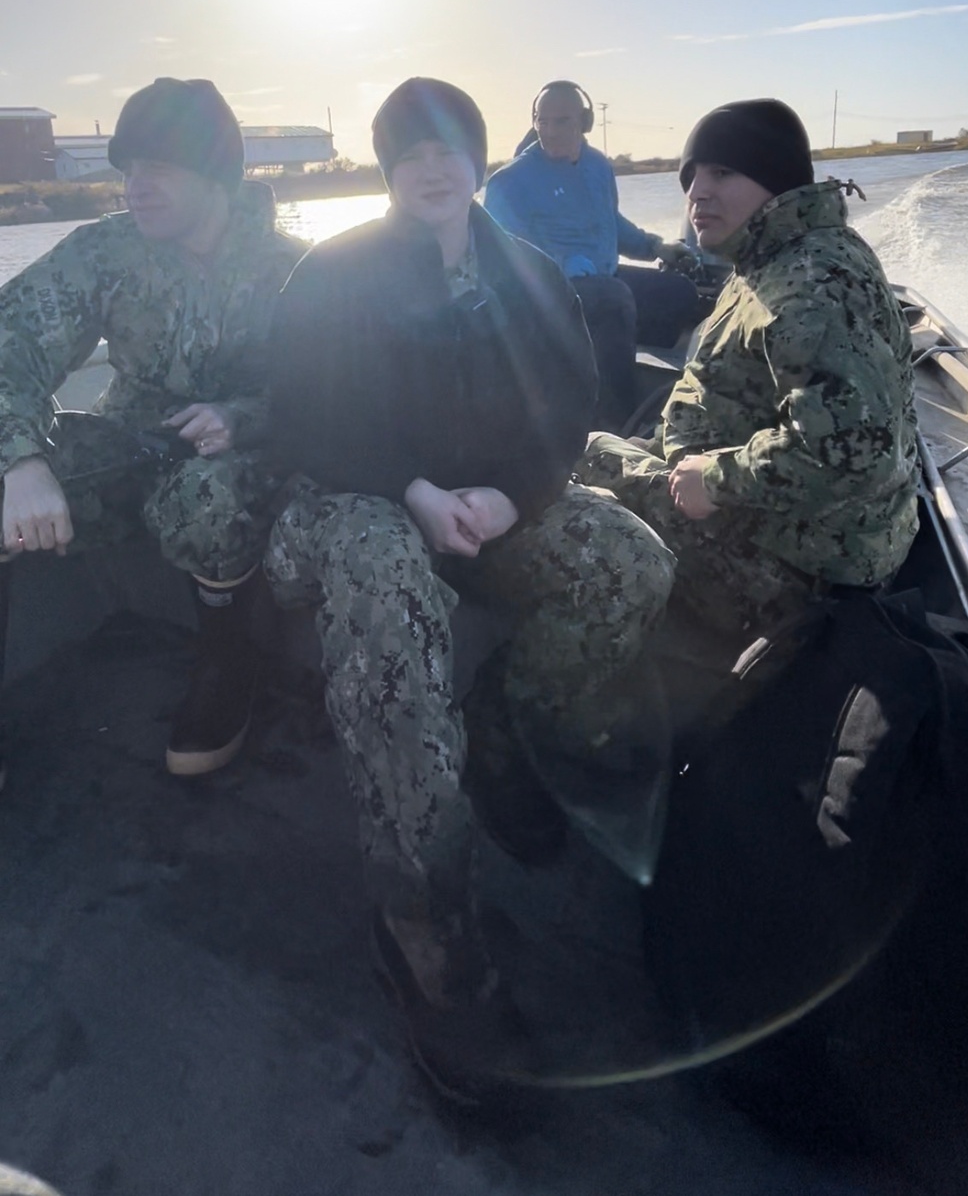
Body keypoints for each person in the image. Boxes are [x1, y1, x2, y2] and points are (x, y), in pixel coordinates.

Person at [263, 77, 675, 1097]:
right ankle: (423, 924)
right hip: (354, 502)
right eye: (407, 151)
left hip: (486, 508)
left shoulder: (529, 272)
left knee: (629, 561)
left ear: (479, 158)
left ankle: (501, 738)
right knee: (388, 587)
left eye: (449, 146)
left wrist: (505, 493)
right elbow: (302, 418)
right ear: (387, 168)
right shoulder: (333, 273)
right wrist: (409, 488)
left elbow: (566, 411)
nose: (430, 165)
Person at [580, 97, 920, 734]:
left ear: (777, 179)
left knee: (588, 456)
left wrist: (715, 480)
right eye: (690, 179)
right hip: (800, 532)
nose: (697, 194)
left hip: (799, 576)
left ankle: (571, 699)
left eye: (722, 174)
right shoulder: (777, 254)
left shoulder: (809, 282)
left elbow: (856, 451)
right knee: (619, 444)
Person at [0, 78, 305, 780]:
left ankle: (229, 661)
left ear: (215, 172)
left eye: (157, 168)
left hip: (234, 461)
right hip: (130, 442)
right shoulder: (106, 253)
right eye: (128, 170)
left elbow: (331, 392)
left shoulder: (291, 268)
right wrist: (20, 460)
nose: (134, 187)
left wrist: (241, 416)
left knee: (211, 500)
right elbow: (10, 341)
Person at [484, 79, 702, 430]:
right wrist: (565, 265)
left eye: (562, 121)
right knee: (611, 299)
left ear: (585, 123)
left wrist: (654, 246)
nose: (550, 131)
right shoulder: (509, 182)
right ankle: (615, 424)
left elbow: (608, 222)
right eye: (543, 120)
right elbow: (510, 254)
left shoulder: (598, 167)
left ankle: (661, 386)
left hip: (602, 281)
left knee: (678, 292)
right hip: (541, 296)